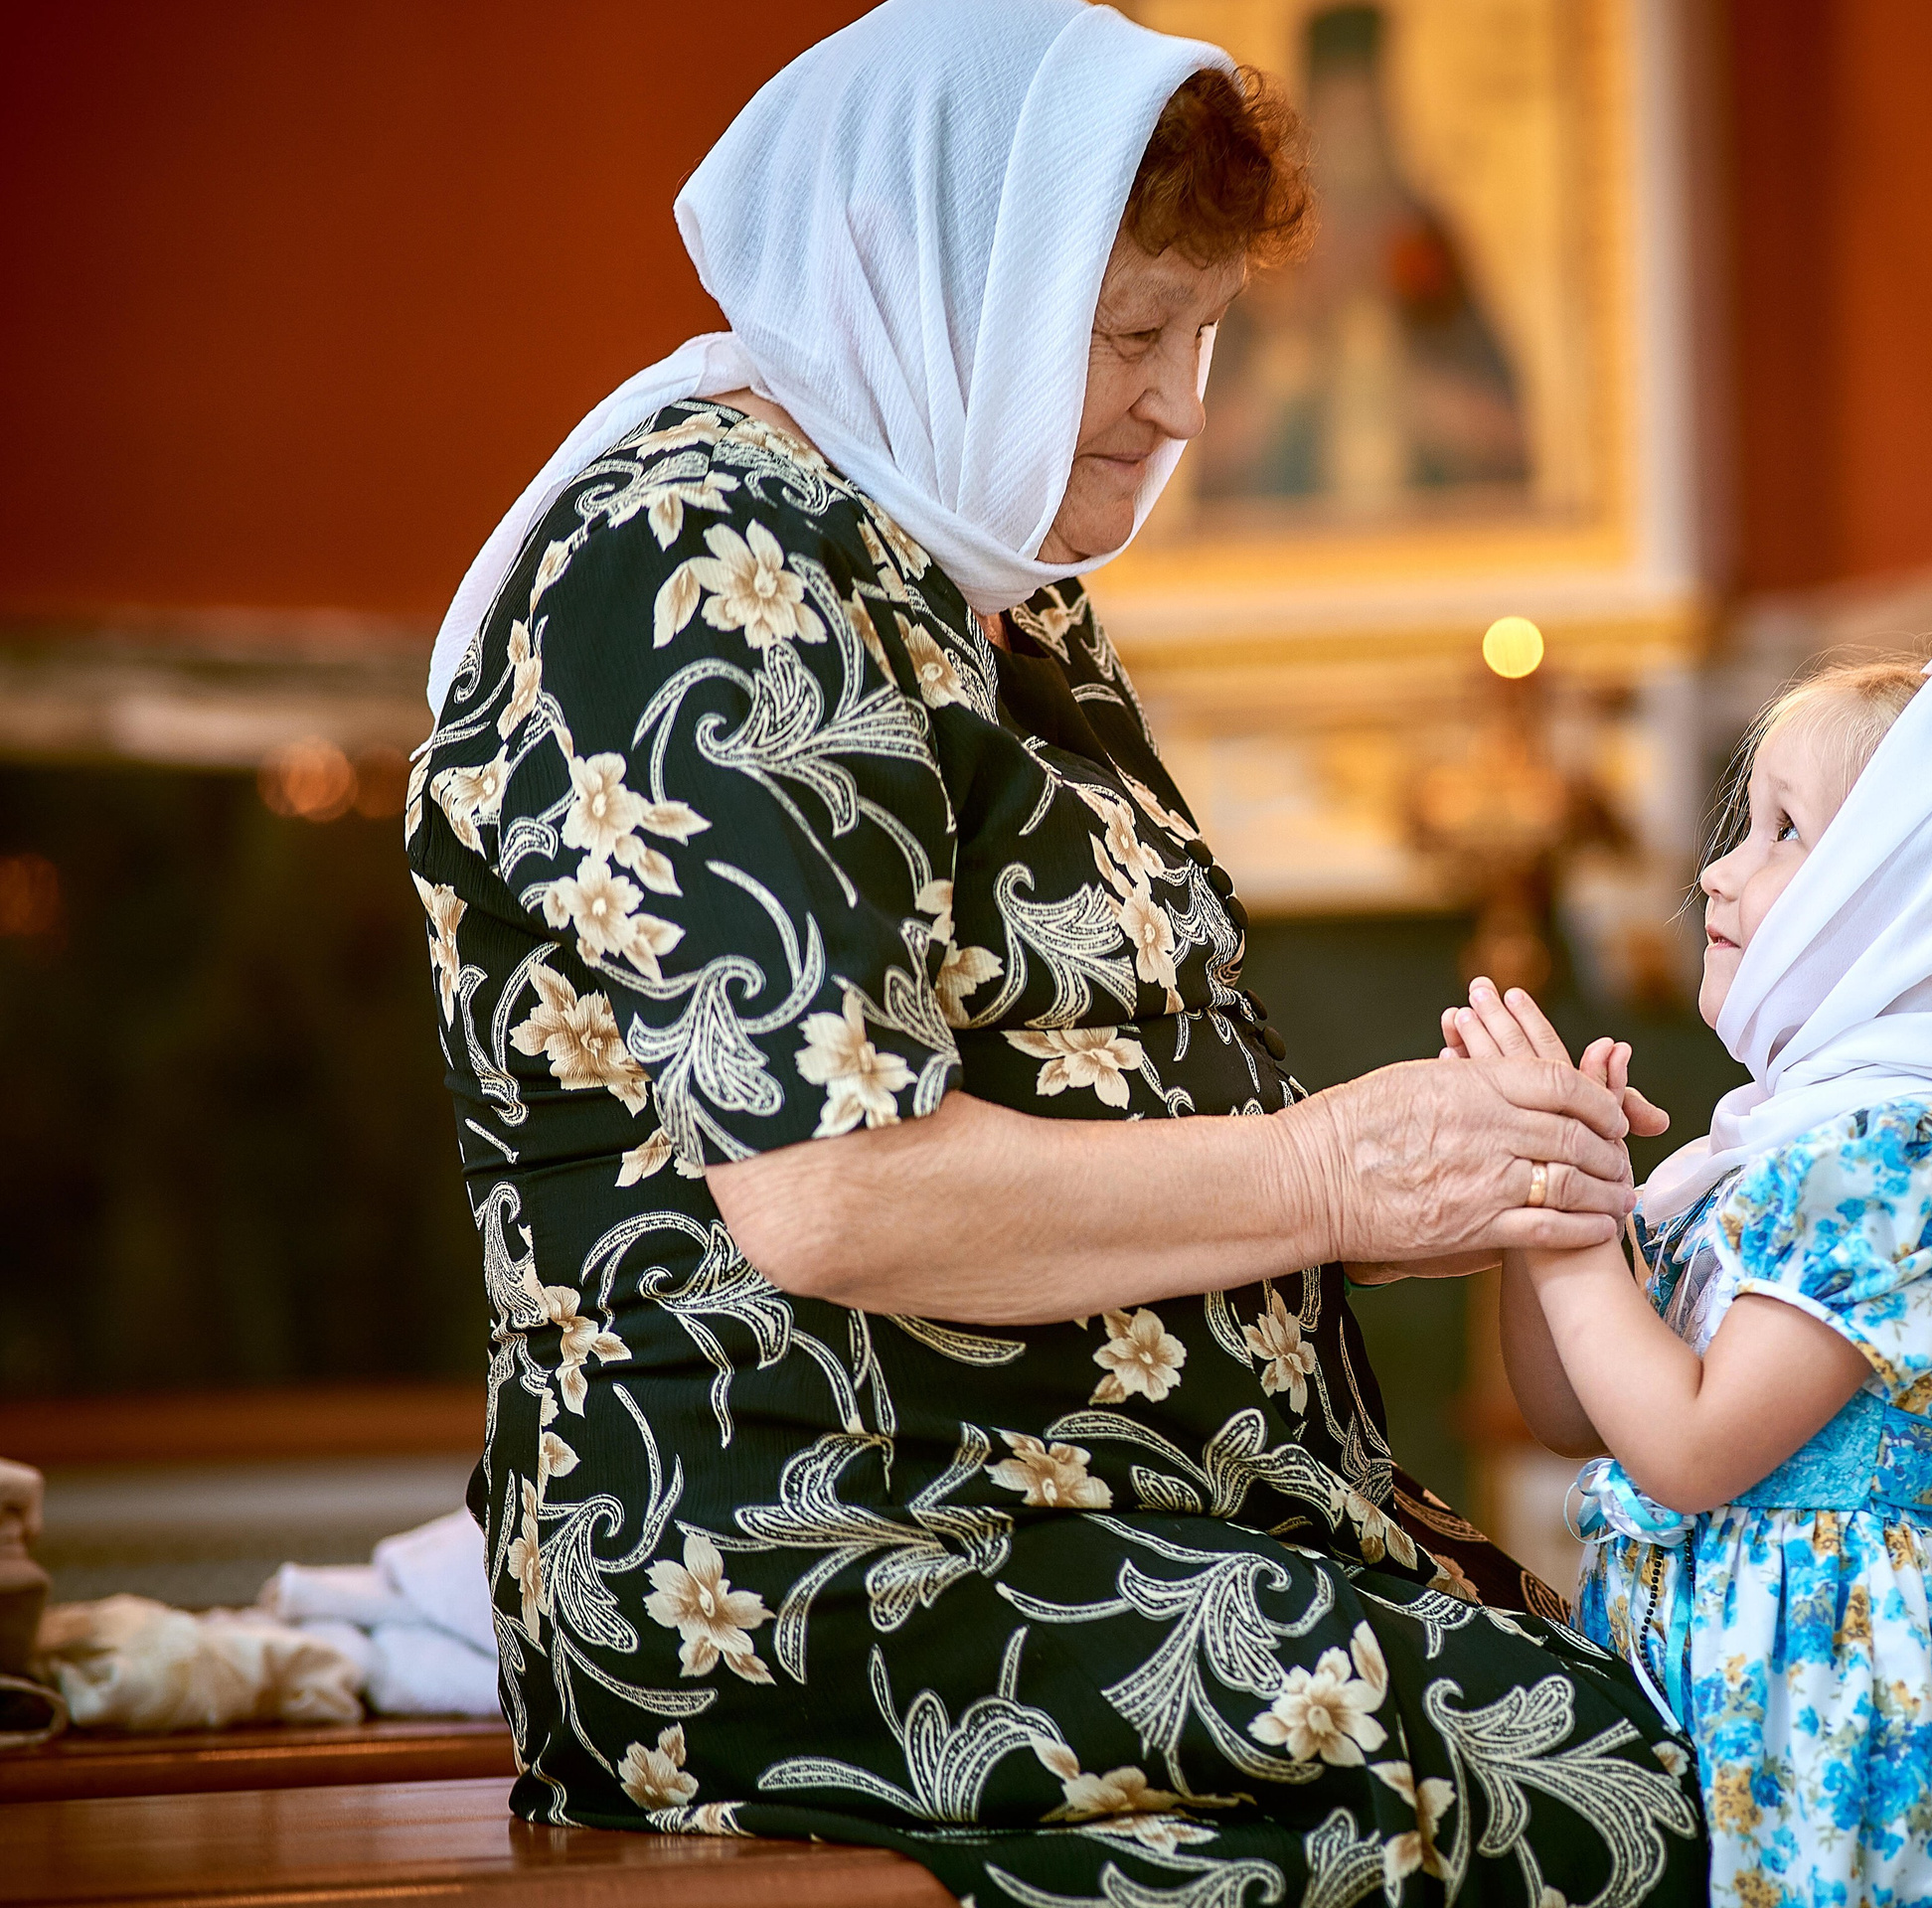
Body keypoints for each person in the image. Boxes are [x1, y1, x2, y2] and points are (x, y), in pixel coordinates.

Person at [407, 2, 1705, 1900]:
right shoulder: (692, 561)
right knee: (1569, 1778)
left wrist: (1477, 1168)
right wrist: (1342, 1169)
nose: (1184, 406)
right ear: (948, 286)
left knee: (1591, 1702)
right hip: (807, 1562)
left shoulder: (985, 580)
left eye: (1204, 336)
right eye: (1128, 338)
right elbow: (832, 1199)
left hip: (1060, 1516)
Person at [1438, 640, 1932, 1905]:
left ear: (1928, 903)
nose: (1719, 870)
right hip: (1722, 1693)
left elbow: (1690, 1450)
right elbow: (1574, 1416)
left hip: (1841, 1724)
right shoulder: (1767, 1152)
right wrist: (1559, 1195)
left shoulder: (1907, 1154)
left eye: (1785, 833)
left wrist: (1568, 1227)